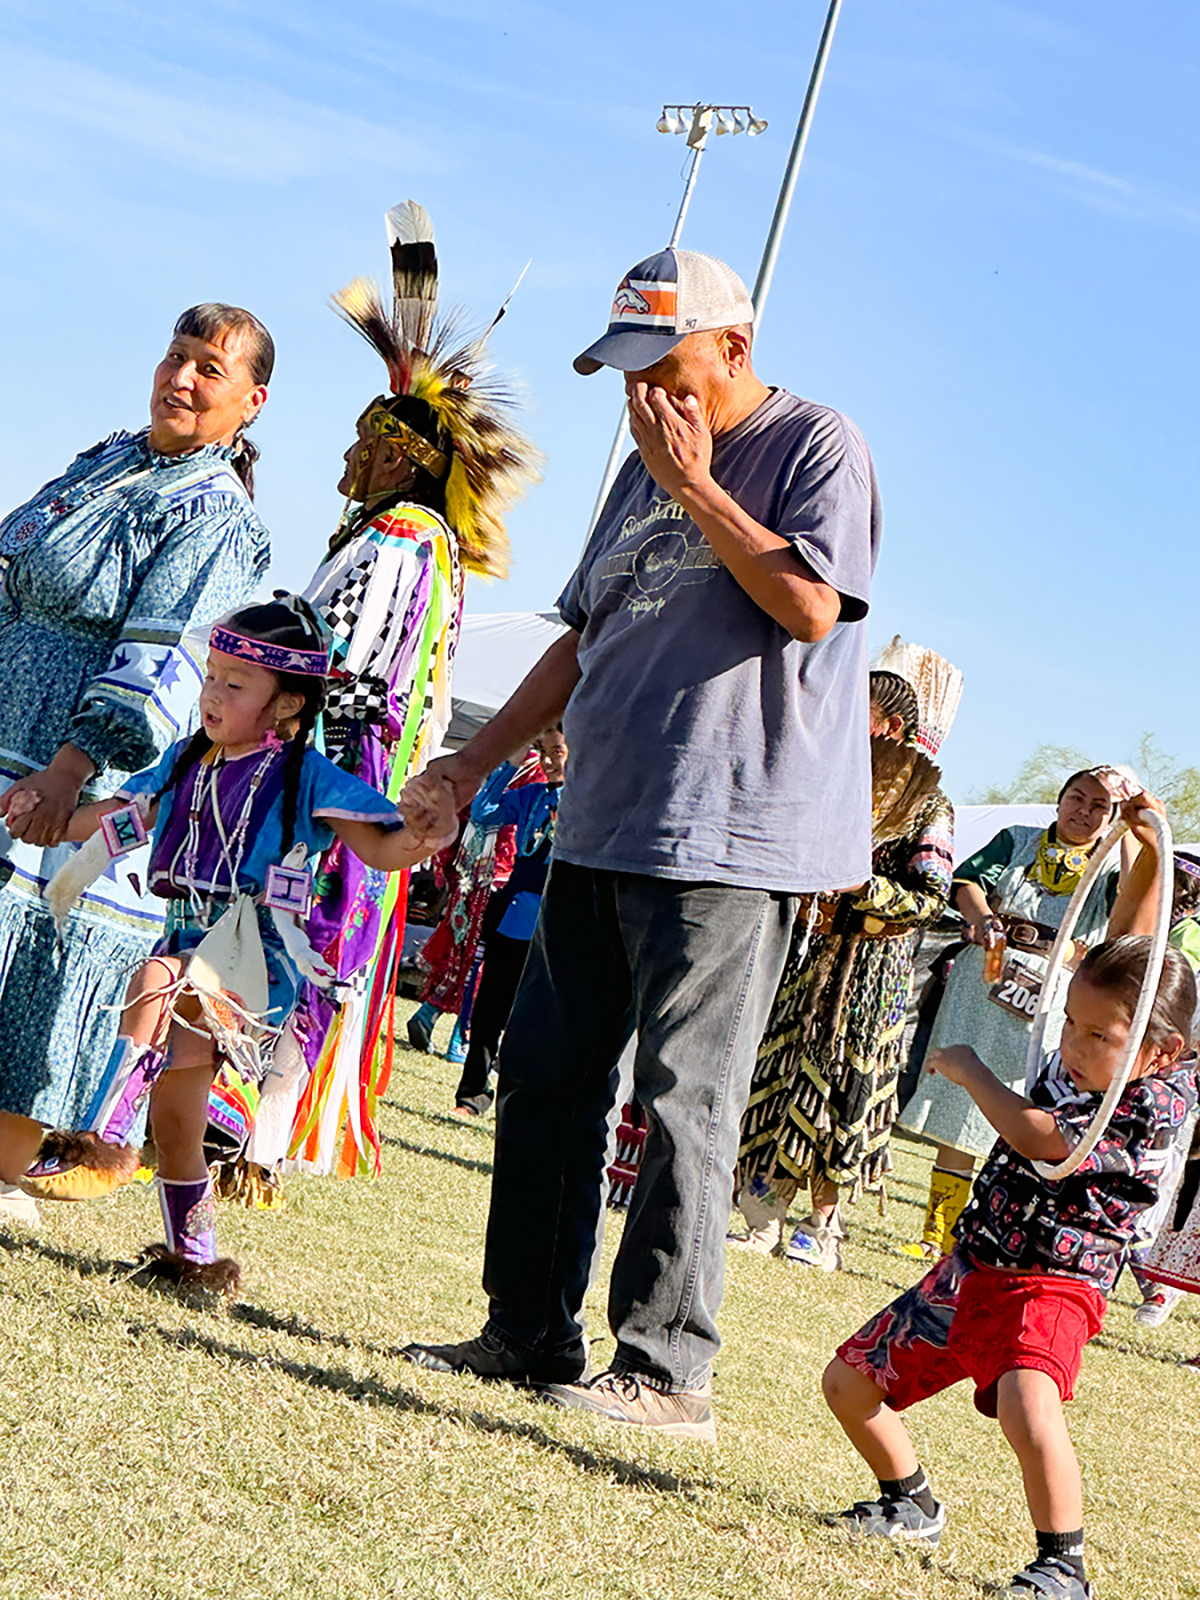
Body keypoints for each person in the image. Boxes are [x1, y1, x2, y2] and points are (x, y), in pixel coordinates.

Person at [399, 244, 881, 1444]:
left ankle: (666, 1369)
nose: (640, 398)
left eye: (660, 367)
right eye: (622, 374)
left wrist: (701, 485)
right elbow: (578, 637)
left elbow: (812, 605)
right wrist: (474, 760)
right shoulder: (637, 471)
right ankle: (527, 1329)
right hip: (601, 818)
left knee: (683, 1100)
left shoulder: (816, 445)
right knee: (547, 1074)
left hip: (730, 835)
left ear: (734, 348)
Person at [20, 596, 455, 1286]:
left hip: (259, 950)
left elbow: (382, 847)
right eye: (211, 676)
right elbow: (116, 821)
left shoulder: (304, 775)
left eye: (235, 683)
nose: (212, 695)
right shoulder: (187, 762)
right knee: (177, 1113)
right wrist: (46, 817)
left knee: (157, 980)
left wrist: (427, 834)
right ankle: (194, 1259)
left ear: (286, 704)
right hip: (193, 929)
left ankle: (104, 1140)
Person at [257, 201, 540, 1183]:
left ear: (397, 454)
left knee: (298, 934)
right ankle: (269, 1127)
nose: (343, 459)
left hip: (334, 760)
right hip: (366, 763)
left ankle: (257, 1129)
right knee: (320, 943)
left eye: (360, 441)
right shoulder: (434, 547)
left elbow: (343, 663)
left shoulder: (391, 540)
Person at [0, 303, 274, 1224]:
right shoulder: (109, 462)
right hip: (9, 727)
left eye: (209, 368)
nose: (183, 378)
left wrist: (71, 771)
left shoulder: (214, 516)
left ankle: (10, 1172)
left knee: (28, 951)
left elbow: (163, 660)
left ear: (251, 401)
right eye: (175, 356)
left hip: (60, 768)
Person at [821, 927, 1195, 1600]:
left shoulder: (1154, 1103)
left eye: (1098, 1037)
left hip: (1054, 1283)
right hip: (975, 1267)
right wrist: (1139, 847)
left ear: (1161, 1049)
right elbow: (1131, 932)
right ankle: (909, 1503)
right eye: (1072, 1026)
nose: (1074, 1046)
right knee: (849, 1383)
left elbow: (1041, 1141)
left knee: (1028, 1405)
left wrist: (970, 1071)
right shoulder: (1086, 1065)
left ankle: (1062, 1566)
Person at [734, 662, 956, 1266]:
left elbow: (931, 899)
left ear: (890, 726)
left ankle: (821, 1228)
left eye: (857, 710)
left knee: (843, 1091)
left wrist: (858, 890)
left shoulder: (927, 806)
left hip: (869, 973)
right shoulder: (826, 777)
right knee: (773, 1078)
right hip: (801, 960)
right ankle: (761, 1214)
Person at [896, 767, 1136, 1257]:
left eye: (1098, 807)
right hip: (984, 977)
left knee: (1025, 1099)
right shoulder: (1018, 840)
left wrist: (1130, 831)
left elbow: (1131, 910)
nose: (1083, 812)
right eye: (1077, 798)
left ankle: (990, 1230)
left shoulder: (1111, 868)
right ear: (1059, 799)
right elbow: (964, 879)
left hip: (1052, 997)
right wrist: (982, 916)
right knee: (959, 1101)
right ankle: (937, 1233)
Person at [451, 726, 566, 1116]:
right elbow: (482, 813)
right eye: (544, 751)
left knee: (535, 1016)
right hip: (515, 915)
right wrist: (511, 763)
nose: (549, 761)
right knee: (490, 1008)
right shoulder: (533, 795)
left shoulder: (589, 801)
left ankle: (522, 1100)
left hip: (559, 921)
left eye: (558, 752)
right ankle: (472, 1092)